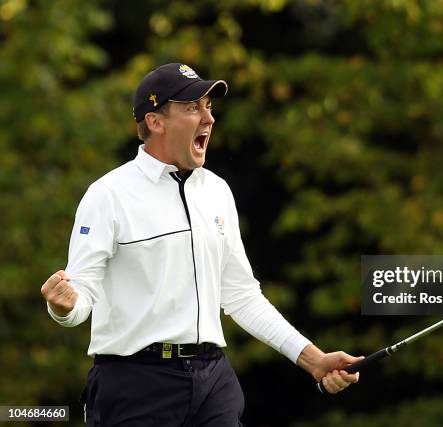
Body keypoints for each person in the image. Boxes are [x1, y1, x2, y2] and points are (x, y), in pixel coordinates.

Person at [40, 63, 361, 426]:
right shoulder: (108, 195)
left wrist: (313, 359)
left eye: (209, 107)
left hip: (212, 381)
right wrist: (63, 308)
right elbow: (80, 297)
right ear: (156, 121)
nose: (208, 118)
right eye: (193, 107)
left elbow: (242, 296)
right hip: (134, 384)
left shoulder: (217, 191)